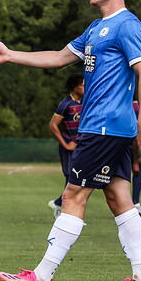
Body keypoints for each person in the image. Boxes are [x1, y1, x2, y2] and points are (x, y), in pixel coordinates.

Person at [0, 0, 141, 281]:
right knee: (120, 198)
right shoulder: (95, 28)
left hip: (104, 127)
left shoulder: (127, 26)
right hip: (106, 128)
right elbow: (59, 58)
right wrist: (11, 55)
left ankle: (41, 276)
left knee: (73, 195)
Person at [47, 74, 83, 218]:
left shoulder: (84, 102)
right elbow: (53, 125)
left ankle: (59, 204)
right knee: (70, 177)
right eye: (83, 85)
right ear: (75, 87)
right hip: (69, 146)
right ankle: (63, 210)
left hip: (80, 146)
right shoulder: (66, 104)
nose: (85, 88)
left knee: (78, 179)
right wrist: (65, 144)